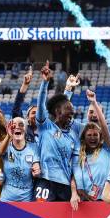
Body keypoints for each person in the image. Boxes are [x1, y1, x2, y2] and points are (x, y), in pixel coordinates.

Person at [34, 61, 77, 202]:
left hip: (65, 184)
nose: (72, 115)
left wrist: (69, 90)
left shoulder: (72, 135)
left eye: (73, 115)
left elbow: (64, 106)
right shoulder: (45, 127)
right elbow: (41, 105)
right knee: (39, 216)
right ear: (57, 112)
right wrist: (45, 83)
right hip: (45, 181)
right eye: (69, 114)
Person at [71, 90, 110, 207]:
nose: (93, 138)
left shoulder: (107, 149)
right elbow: (73, 176)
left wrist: (94, 103)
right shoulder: (79, 155)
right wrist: (75, 192)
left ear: (100, 137)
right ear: (84, 138)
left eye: (95, 135)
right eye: (89, 135)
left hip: (105, 201)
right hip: (84, 202)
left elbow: (104, 126)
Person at [0, 117, 41, 202]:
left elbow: (36, 167)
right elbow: (0, 152)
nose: (17, 127)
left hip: (26, 200)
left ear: (26, 128)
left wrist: (37, 172)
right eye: (13, 126)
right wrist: (8, 135)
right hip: (7, 199)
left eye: (21, 125)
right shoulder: (5, 146)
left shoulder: (34, 147)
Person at [11, 66, 38, 143]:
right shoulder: (24, 128)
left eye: (38, 113)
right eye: (33, 113)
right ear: (27, 117)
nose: (36, 115)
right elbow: (16, 109)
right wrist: (25, 84)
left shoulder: (47, 131)